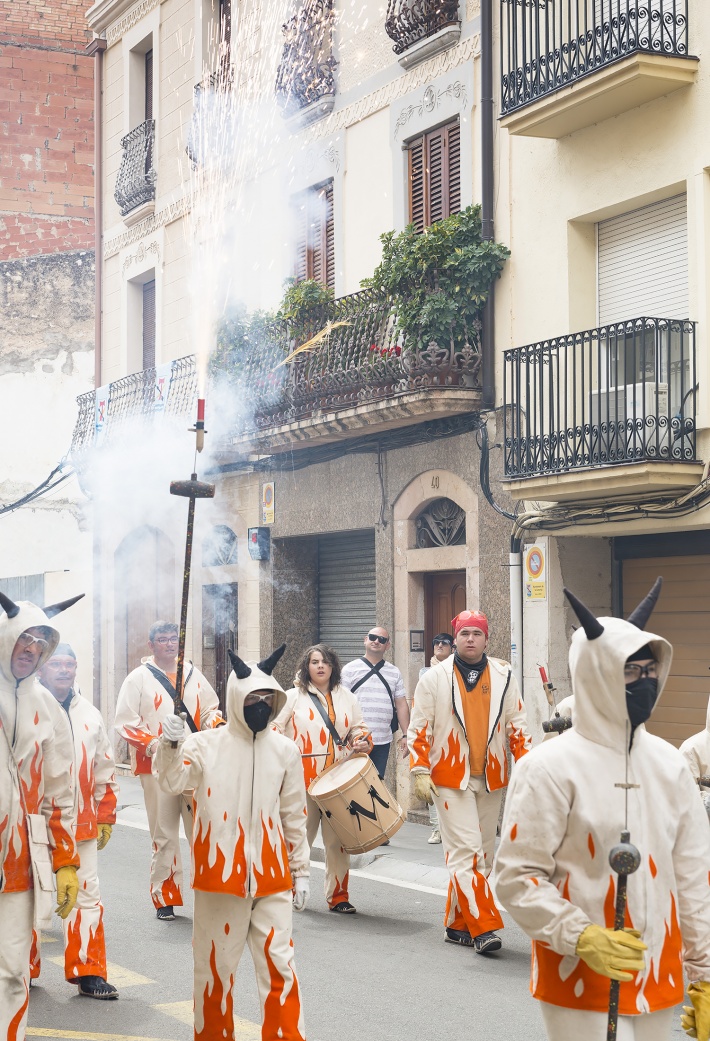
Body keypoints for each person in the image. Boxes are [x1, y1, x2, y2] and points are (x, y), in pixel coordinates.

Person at [495, 579, 710, 1041]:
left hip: (658, 971)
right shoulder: (547, 767)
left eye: (651, 669)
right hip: (579, 974)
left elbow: (694, 876)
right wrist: (580, 936)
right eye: (631, 671)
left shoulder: (672, 765)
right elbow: (516, 876)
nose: (645, 681)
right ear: (596, 672)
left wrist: (705, 975)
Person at [153, 643, 309, 1041]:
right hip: (219, 880)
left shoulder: (286, 750)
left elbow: (294, 816)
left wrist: (301, 872)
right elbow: (172, 782)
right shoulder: (204, 745)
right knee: (215, 972)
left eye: (266, 698)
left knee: (281, 971)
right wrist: (169, 746)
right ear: (236, 697)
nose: (259, 705)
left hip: (273, 881)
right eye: (252, 698)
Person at [408, 609, 531, 954]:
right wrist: (419, 770)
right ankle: (485, 928)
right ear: (455, 638)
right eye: (465, 634)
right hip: (449, 777)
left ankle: (456, 924)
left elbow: (517, 725)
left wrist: (529, 769)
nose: (471, 639)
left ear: (487, 639)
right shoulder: (434, 677)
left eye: (477, 633)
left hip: (491, 776)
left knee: (484, 858)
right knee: (466, 854)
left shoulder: (504, 675)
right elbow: (419, 727)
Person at [0, 590, 82, 1041]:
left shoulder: (47, 706)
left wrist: (65, 859)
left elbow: (58, 793)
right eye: (23, 642)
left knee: (13, 972)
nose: (30, 653)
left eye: (40, 646)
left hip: (18, 866)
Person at [114, 620, 222, 920]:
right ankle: (165, 896)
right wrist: (154, 744)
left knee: (200, 830)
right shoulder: (137, 678)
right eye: (163, 639)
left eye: (174, 639)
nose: (169, 644)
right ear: (151, 645)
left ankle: (208, 891)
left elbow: (210, 710)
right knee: (164, 834)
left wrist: (214, 727)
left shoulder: (192, 673)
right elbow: (124, 722)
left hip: (194, 765)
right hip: (156, 767)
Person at [34, 643, 119, 999]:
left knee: (87, 898)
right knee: (30, 900)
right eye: (57, 663)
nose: (65, 670)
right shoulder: (28, 708)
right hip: (35, 825)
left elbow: (105, 765)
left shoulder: (91, 713)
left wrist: (105, 813)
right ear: (41, 667)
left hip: (81, 824)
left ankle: (89, 972)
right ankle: (20, 968)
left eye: (70, 663)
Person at [274, 643, 372, 914]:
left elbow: (358, 727)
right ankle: (290, 889)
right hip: (300, 782)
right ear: (306, 667)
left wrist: (362, 740)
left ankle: (338, 896)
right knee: (298, 838)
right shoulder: (291, 697)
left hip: (339, 782)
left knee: (338, 842)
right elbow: (273, 729)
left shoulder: (347, 697)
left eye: (325, 662)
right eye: (315, 662)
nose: (320, 666)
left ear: (333, 667)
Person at [341, 626, 409, 781]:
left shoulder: (394, 672)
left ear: (387, 646)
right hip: (355, 739)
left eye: (382, 639)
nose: (377, 641)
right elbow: (341, 703)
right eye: (373, 637)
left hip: (382, 739)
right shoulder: (349, 669)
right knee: (352, 783)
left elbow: (401, 704)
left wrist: (406, 734)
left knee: (375, 784)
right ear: (365, 640)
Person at [418, 633, 454, 844]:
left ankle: (450, 827)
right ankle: (436, 829)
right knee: (431, 780)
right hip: (431, 732)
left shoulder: (457, 670)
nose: (439, 645)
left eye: (444, 643)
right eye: (436, 642)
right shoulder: (425, 672)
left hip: (452, 732)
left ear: (452, 648)